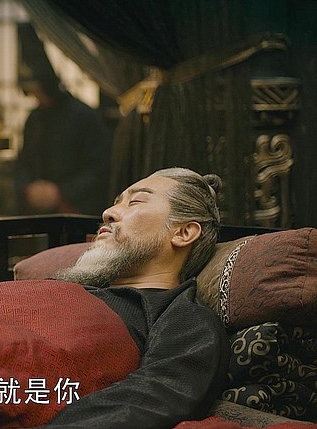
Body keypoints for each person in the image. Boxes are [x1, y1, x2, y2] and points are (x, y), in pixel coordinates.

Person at [16, 167, 228, 428]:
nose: (108, 212)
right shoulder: (69, 290)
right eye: (116, 202)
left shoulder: (185, 319)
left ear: (183, 233)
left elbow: (146, 401)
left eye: (135, 201)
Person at [15, 62, 112, 216]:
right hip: (37, 206)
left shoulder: (83, 116)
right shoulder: (35, 118)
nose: (36, 95)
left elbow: (99, 167)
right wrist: (28, 189)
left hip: (75, 204)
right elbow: (23, 162)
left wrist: (61, 193)